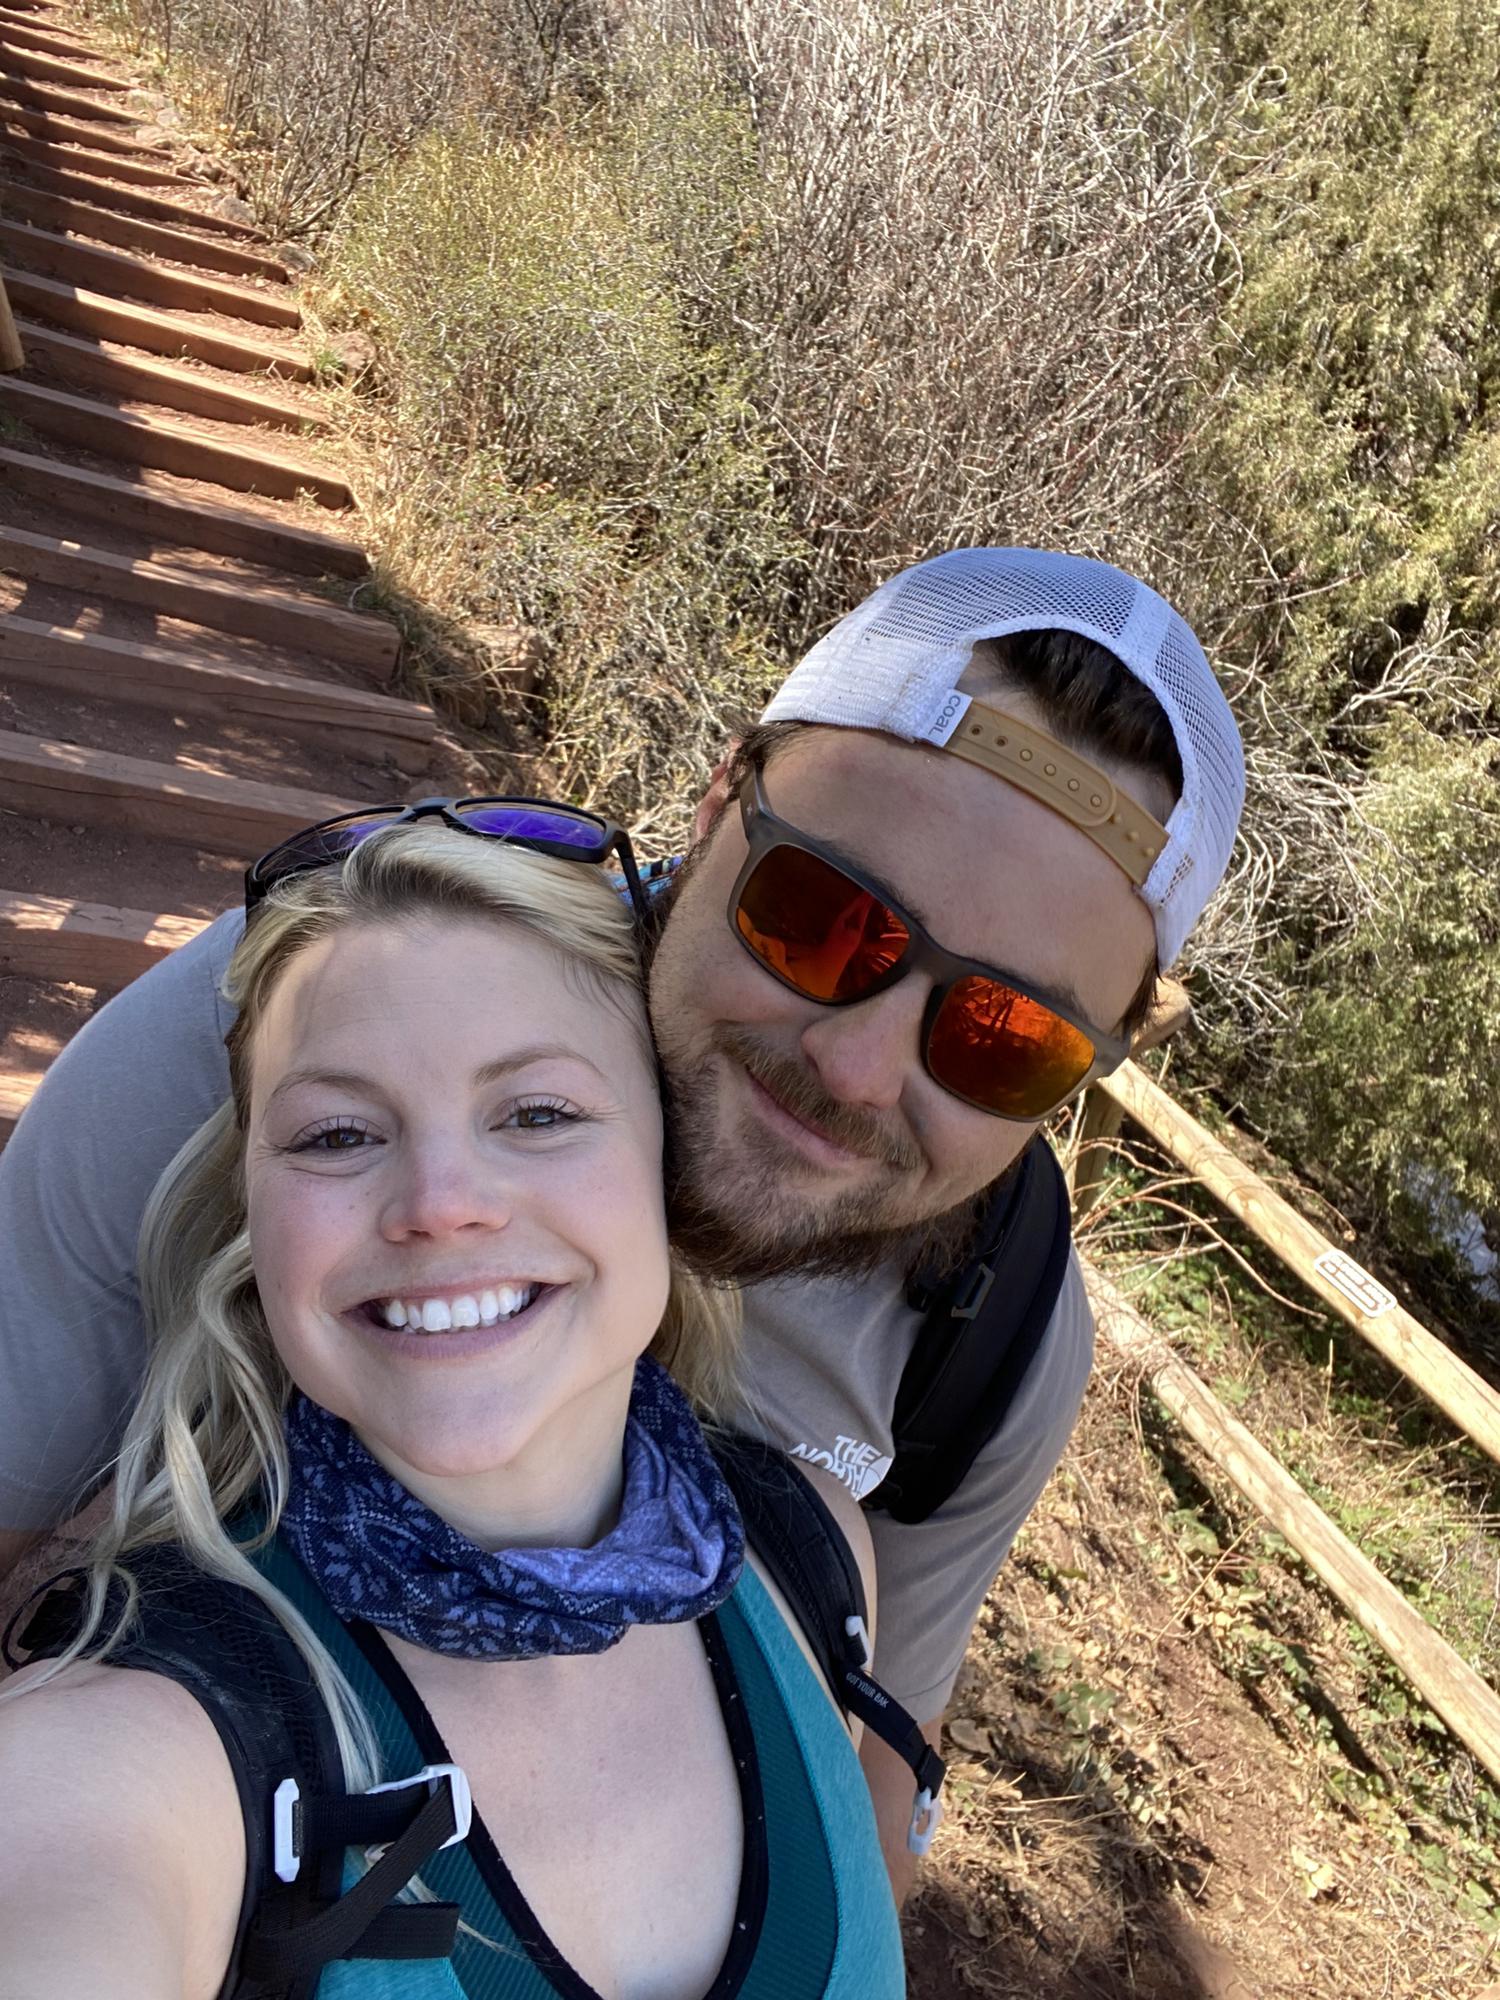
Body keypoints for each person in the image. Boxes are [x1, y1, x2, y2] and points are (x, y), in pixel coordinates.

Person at [0, 546, 1245, 1899]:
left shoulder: (994, 1332)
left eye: (1007, 1038)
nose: (860, 1069)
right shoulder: (304, 1042)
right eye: (826, 920)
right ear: (719, 806)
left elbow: (875, 1758)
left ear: (1098, 1060)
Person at [0, 822, 904, 1997]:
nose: (440, 1202)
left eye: (536, 1111)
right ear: (254, 1221)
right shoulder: (143, 1726)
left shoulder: (814, 1554)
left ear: (665, 1177)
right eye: (337, 1132)